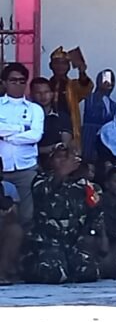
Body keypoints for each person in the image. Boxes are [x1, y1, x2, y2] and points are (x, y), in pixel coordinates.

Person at [22, 143, 102, 284]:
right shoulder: (40, 180)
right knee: (54, 274)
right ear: (51, 160)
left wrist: (92, 236)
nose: (64, 161)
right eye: (59, 157)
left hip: (74, 243)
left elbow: (96, 213)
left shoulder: (85, 185)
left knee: (88, 273)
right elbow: (41, 192)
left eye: (67, 157)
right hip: (46, 244)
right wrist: (62, 172)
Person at [0, 63, 45, 229]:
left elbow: (35, 135)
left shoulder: (35, 109)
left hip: (26, 168)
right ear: (4, 82)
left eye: (22, 81)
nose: (18, 84)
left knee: (27, 215)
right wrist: (21, 129)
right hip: (1, 169)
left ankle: (24, 252)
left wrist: (6, 137)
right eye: (13, 80)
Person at [48, 46, 94, 150]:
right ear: (50, 66)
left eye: (64, 63)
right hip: (49, 123)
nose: (60, 66)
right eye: (57, 63)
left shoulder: (72, 85)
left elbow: (85, 88)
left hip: (68, 123)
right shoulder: (46, 84)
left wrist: (82, 72)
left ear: (68, 67)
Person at [29, 77, 74, 160]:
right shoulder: (26, 116)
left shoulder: (62, 116)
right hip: (29, 161)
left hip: (57, 161)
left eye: (46, 92)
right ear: (31, 94)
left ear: (52, 94)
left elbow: (65, 143)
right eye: (38, 93)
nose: (43, 96)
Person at [81, 70, 116, 163]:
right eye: (105, 79)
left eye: (111, 80)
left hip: (105, 142)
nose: (109, 83)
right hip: (89, 138)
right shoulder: (89, 99)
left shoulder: (114, 105)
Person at [0, 158, 21, 285]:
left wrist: (9, 211)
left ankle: (2, 273)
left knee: (15, 230)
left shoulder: (8, 188)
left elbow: (15, 215)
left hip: (2, 226)